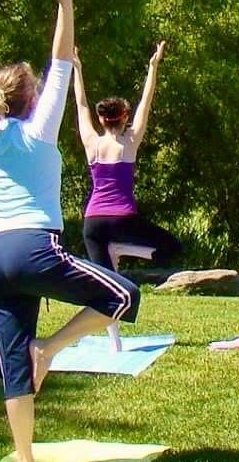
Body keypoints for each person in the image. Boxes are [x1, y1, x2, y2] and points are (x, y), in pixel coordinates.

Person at [0, 0, 138, 462]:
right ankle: (52, 347)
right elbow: (62, 60)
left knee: (13, 364)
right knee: (124, 296)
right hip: (35, 248)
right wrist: (65, 3)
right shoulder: (39, 130)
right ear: (32, 99)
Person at [73, 42, 183, 350]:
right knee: (172, 248)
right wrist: (153, 66)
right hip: (121, 219)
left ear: (103, 120)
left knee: (107, 285)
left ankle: (116, 344)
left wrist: (77, 70)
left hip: (93, 222)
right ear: (124, 119)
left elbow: (81, 106)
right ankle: (123, 249)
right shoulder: (130, 141)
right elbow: (146, 102)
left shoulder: (91, 143)